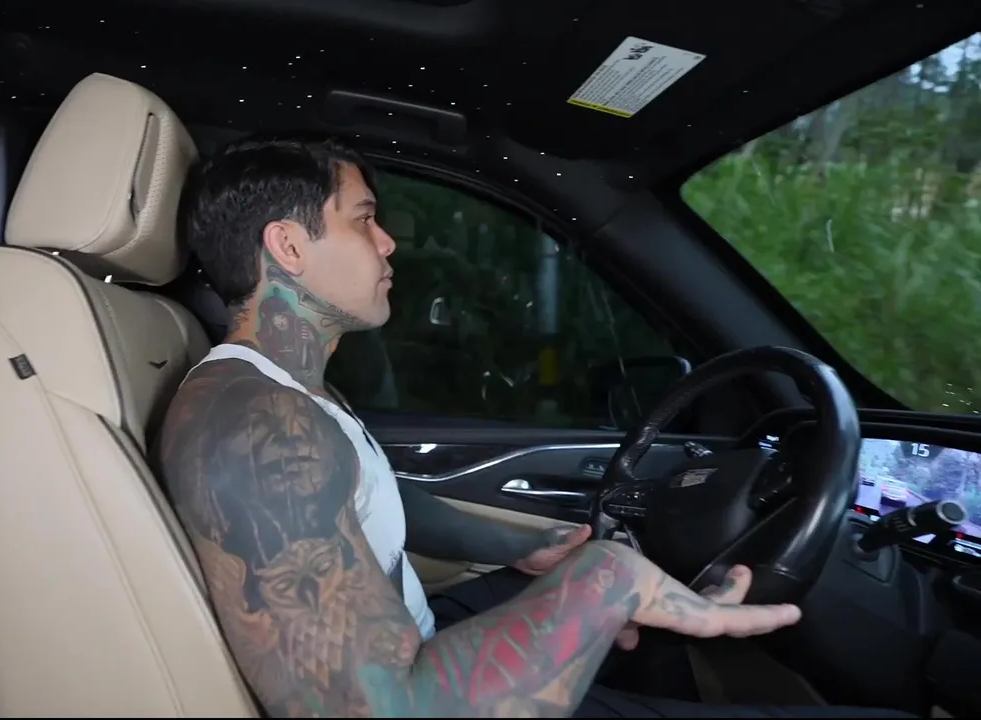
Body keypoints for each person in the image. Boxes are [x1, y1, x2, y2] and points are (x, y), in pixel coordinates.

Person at [156, 135, 919, 718]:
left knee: (647, 639)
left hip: (417, 638)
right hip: (424, 691)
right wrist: (605, 584)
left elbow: (362, 494)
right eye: (363, 220)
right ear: (288, 247)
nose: (387, 242)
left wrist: (525, 549)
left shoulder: (286, 390)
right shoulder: (251, 425)